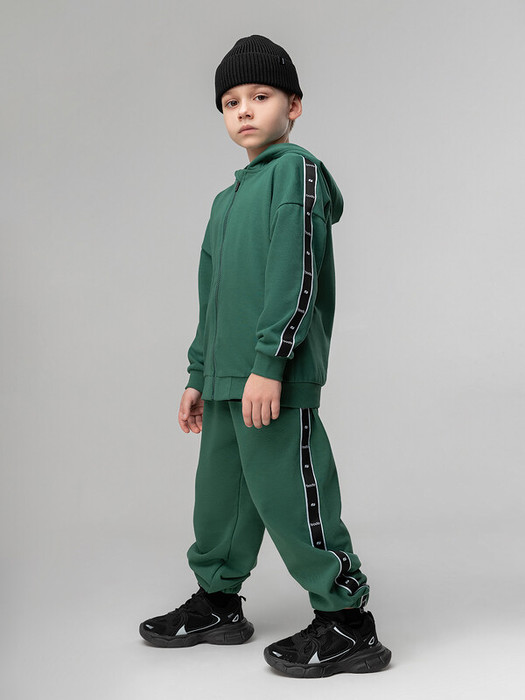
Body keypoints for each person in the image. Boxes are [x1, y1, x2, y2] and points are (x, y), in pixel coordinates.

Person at [139, 34, 391, 678]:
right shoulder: (225, 202)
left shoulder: (296, 173)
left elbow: (294, 273)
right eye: (231, 102)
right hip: (226, 377)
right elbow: (213, 296)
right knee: (219, 499)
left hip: (269, 374)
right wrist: (198, 373)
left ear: (293, 106)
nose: (245, 110)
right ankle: (218, 603)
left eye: (261, 95)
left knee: (291, 494)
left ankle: (347, 620)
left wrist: (270, 363)